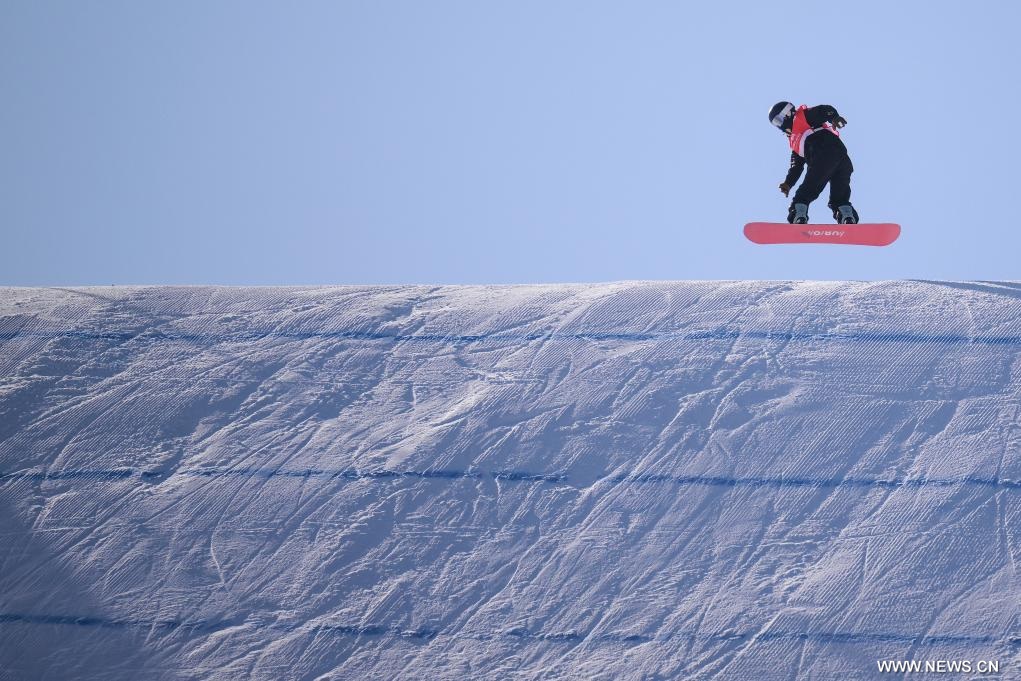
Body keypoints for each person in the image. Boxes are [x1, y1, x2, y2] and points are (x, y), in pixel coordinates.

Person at [768, 101, 859, 225]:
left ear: (787, 113)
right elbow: (796, 167)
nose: (779, 126)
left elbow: (824, 110)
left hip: (823, 155)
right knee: (840, 192)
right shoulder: (795, 142)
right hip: (841, 159)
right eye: (775, 124)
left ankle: (798, 215)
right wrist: (788, 183)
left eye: (778, 121)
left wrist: (834, 117)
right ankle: (846, 216)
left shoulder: (802, 117)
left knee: (806, 190)